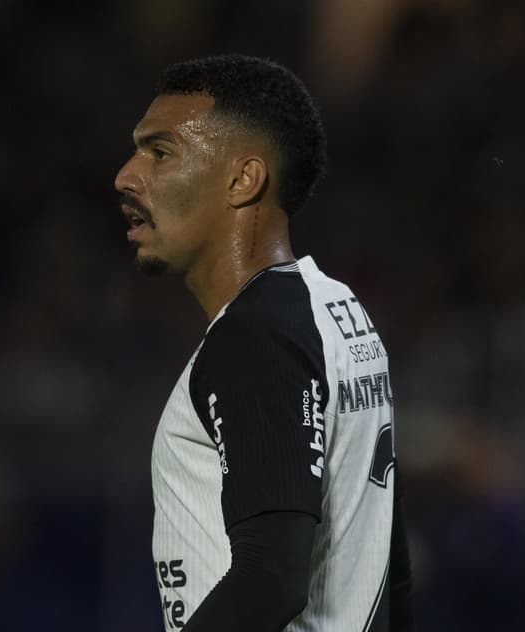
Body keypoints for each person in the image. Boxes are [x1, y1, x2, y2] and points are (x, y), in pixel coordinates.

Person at [114, 55, 412, 631]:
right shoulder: (335, 307)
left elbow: (272, 576)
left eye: (160, 151)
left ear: (242, 179)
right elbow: (388, 565)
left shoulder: (256, 335)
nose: (126, 175)